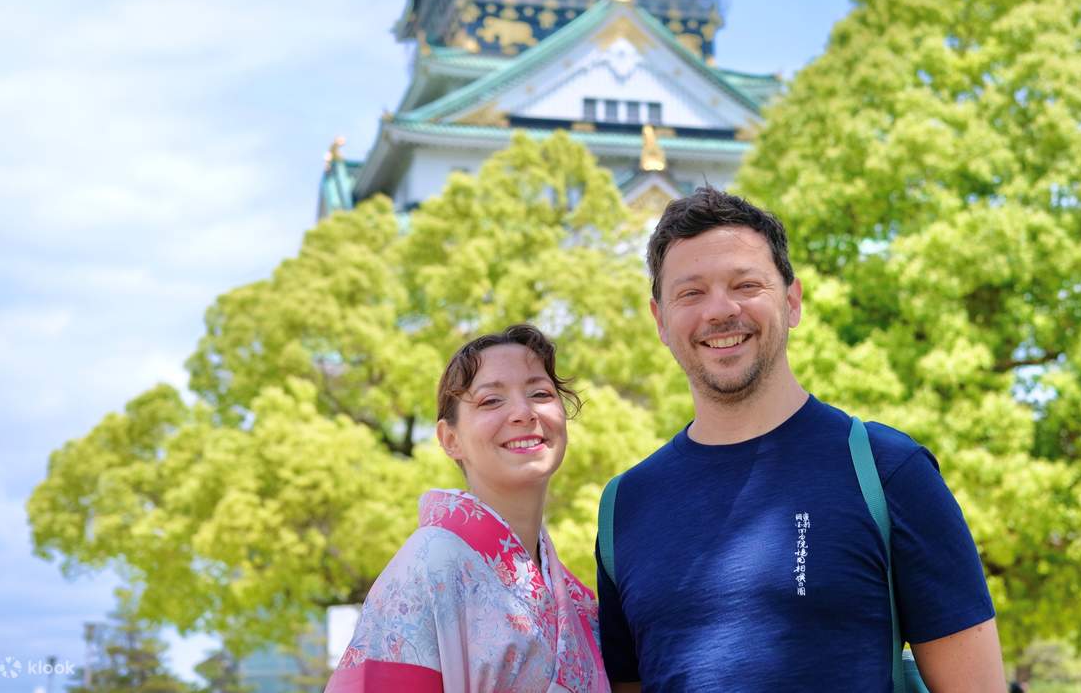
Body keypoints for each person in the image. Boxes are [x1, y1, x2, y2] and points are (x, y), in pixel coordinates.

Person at [595, 187, 1005, 692]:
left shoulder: (886, 470)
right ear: (661, 320)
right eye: (691, 292)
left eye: (746, 285)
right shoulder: (626, 506)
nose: (720, 311)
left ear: (792, 302)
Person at [325, 324, 610, 692]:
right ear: (450, 439)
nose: (524, 413)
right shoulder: (427, 567)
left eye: (540, 393)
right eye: (492, 400)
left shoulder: (575, 600)